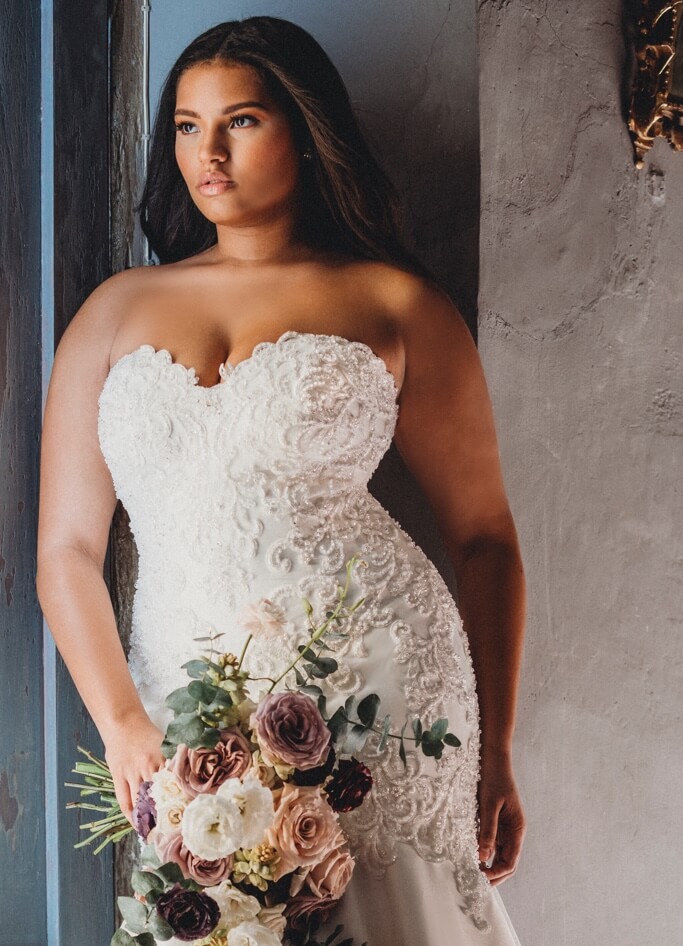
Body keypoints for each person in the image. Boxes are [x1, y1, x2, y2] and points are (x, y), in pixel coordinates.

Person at [36, 15, 526, 944]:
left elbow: (485, 539)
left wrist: (496, 751)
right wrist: (124, 721)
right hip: (187, 704)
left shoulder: (395, 302)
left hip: (380, 688)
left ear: (304, 131)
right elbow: (64, 551)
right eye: (185, 125)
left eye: (241, 121)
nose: (207, 151)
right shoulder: (114, 311)